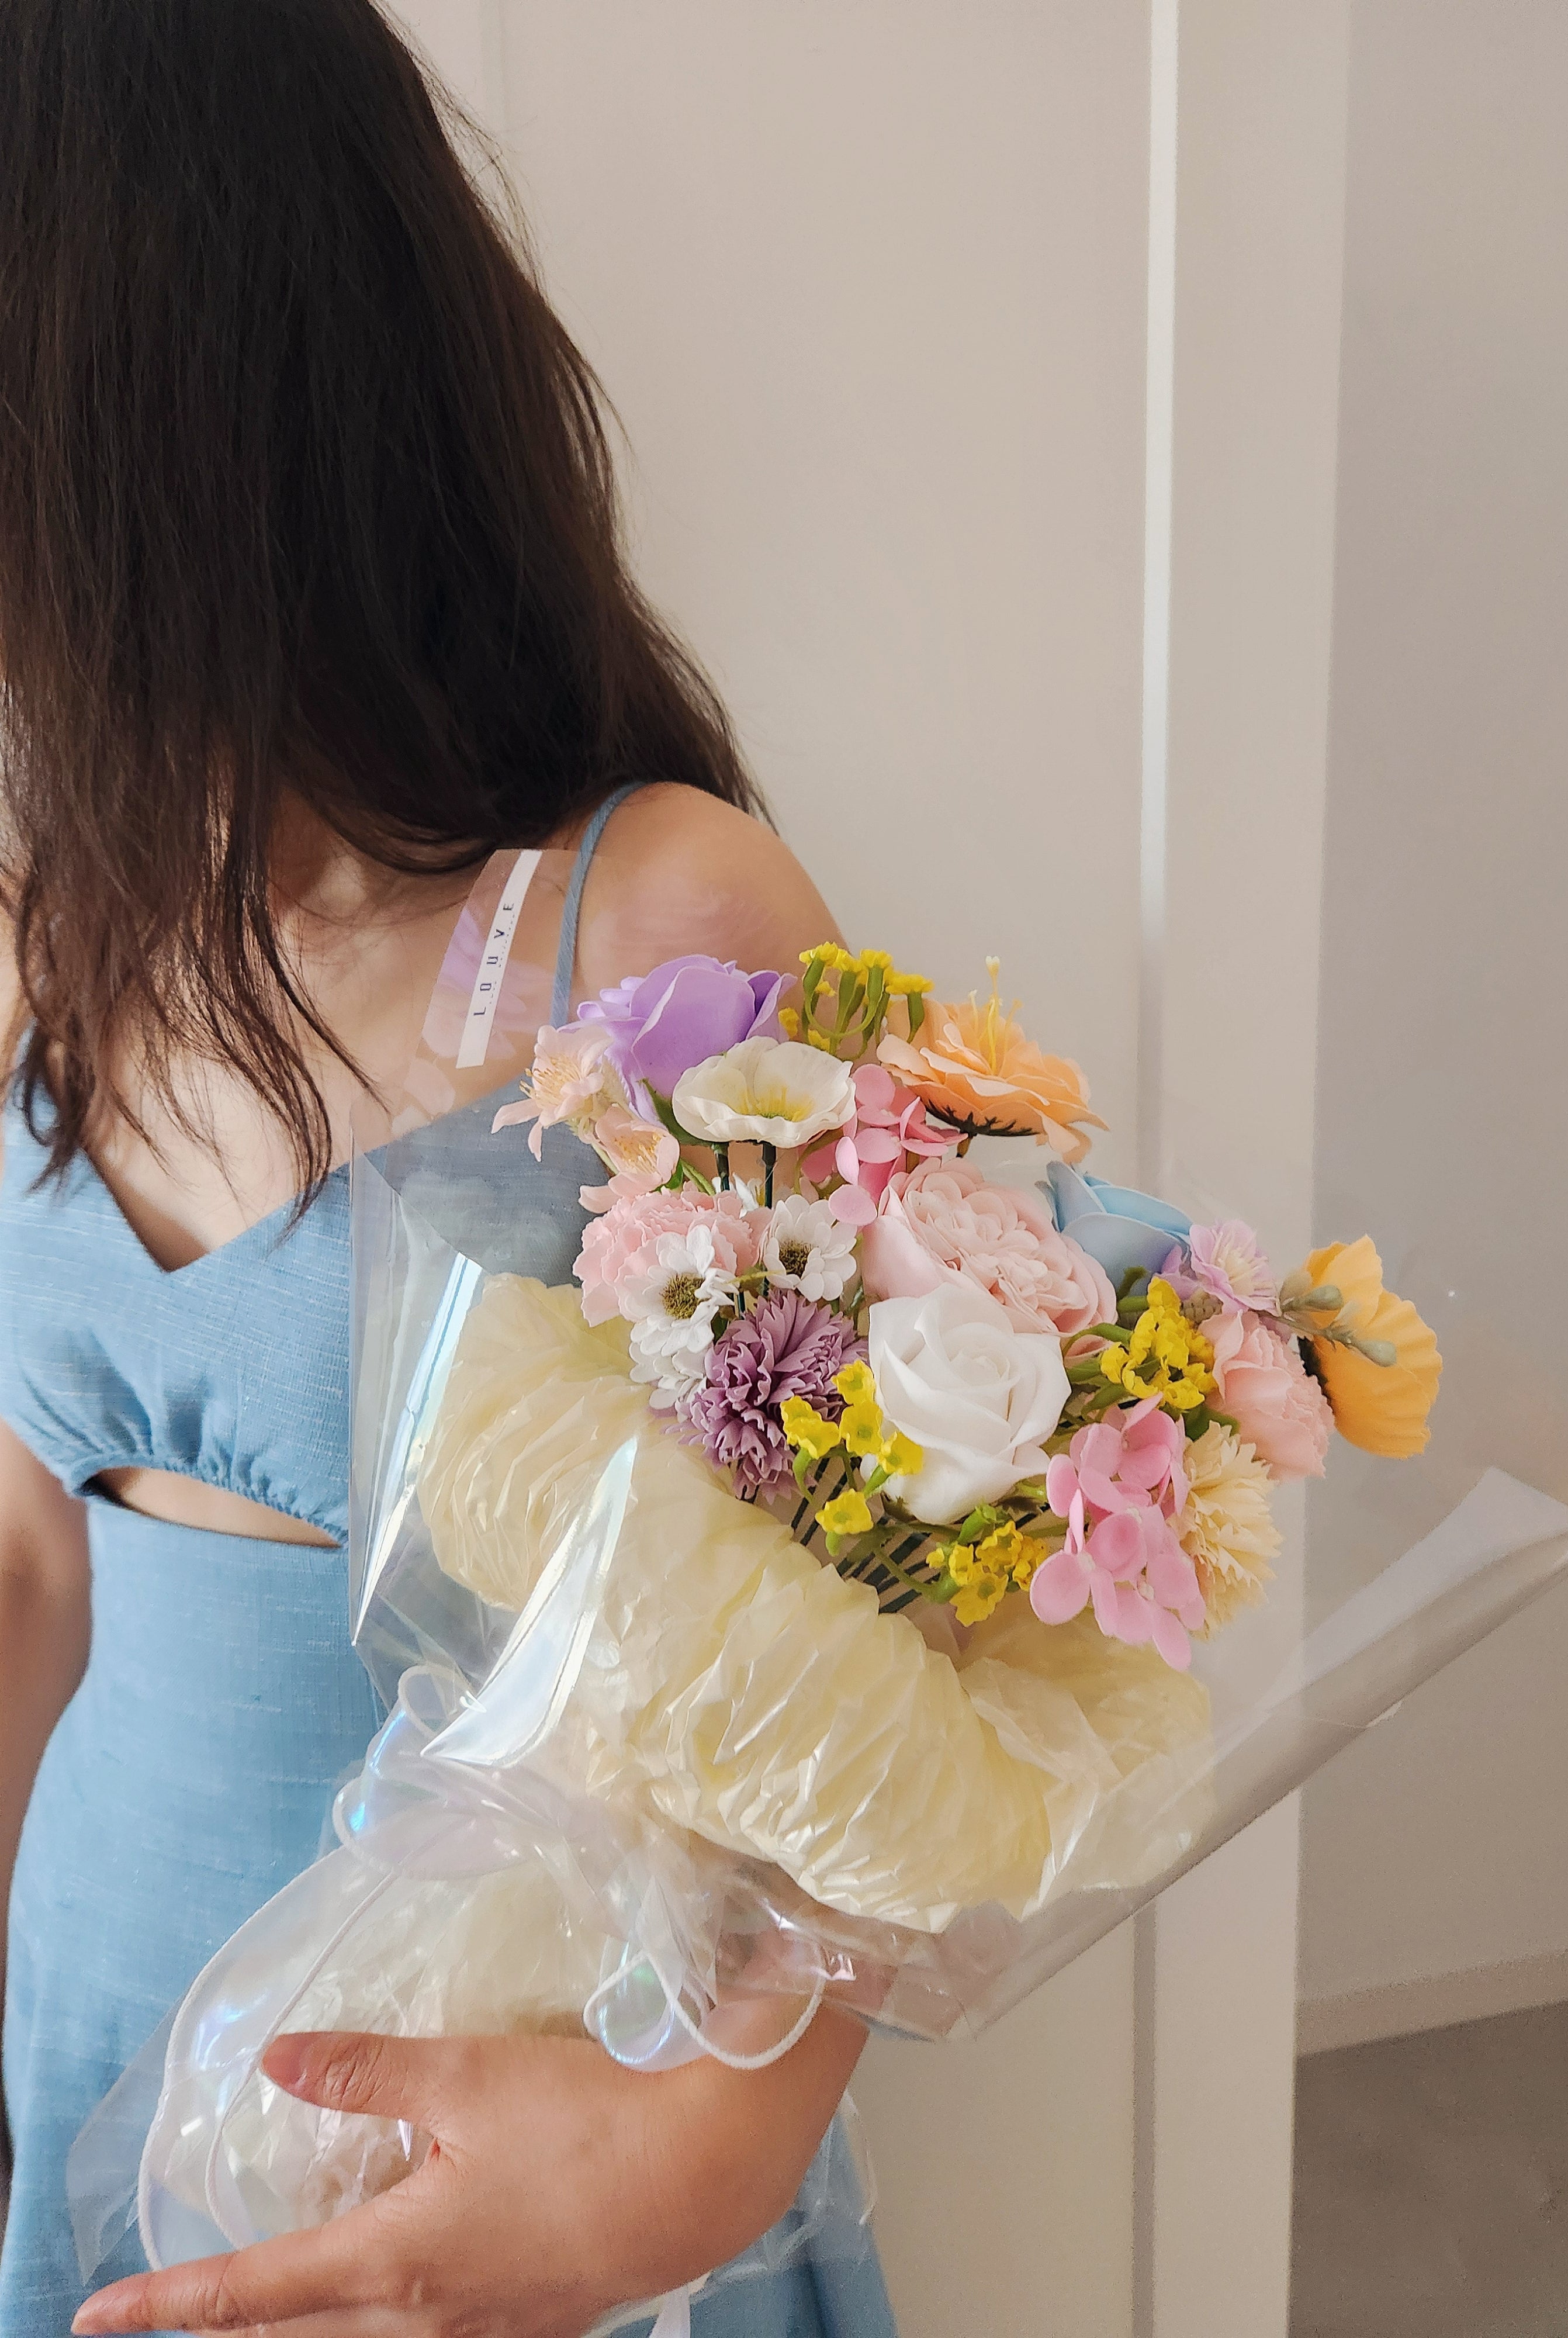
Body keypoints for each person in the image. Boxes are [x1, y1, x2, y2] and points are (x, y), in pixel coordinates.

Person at [0, 2, 898, 2332]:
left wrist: (689, 2167)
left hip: (525, 2149)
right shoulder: (34, 939)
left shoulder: (655, 924)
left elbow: (914, 1653)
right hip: (80, 2054)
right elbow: (18, 1560)